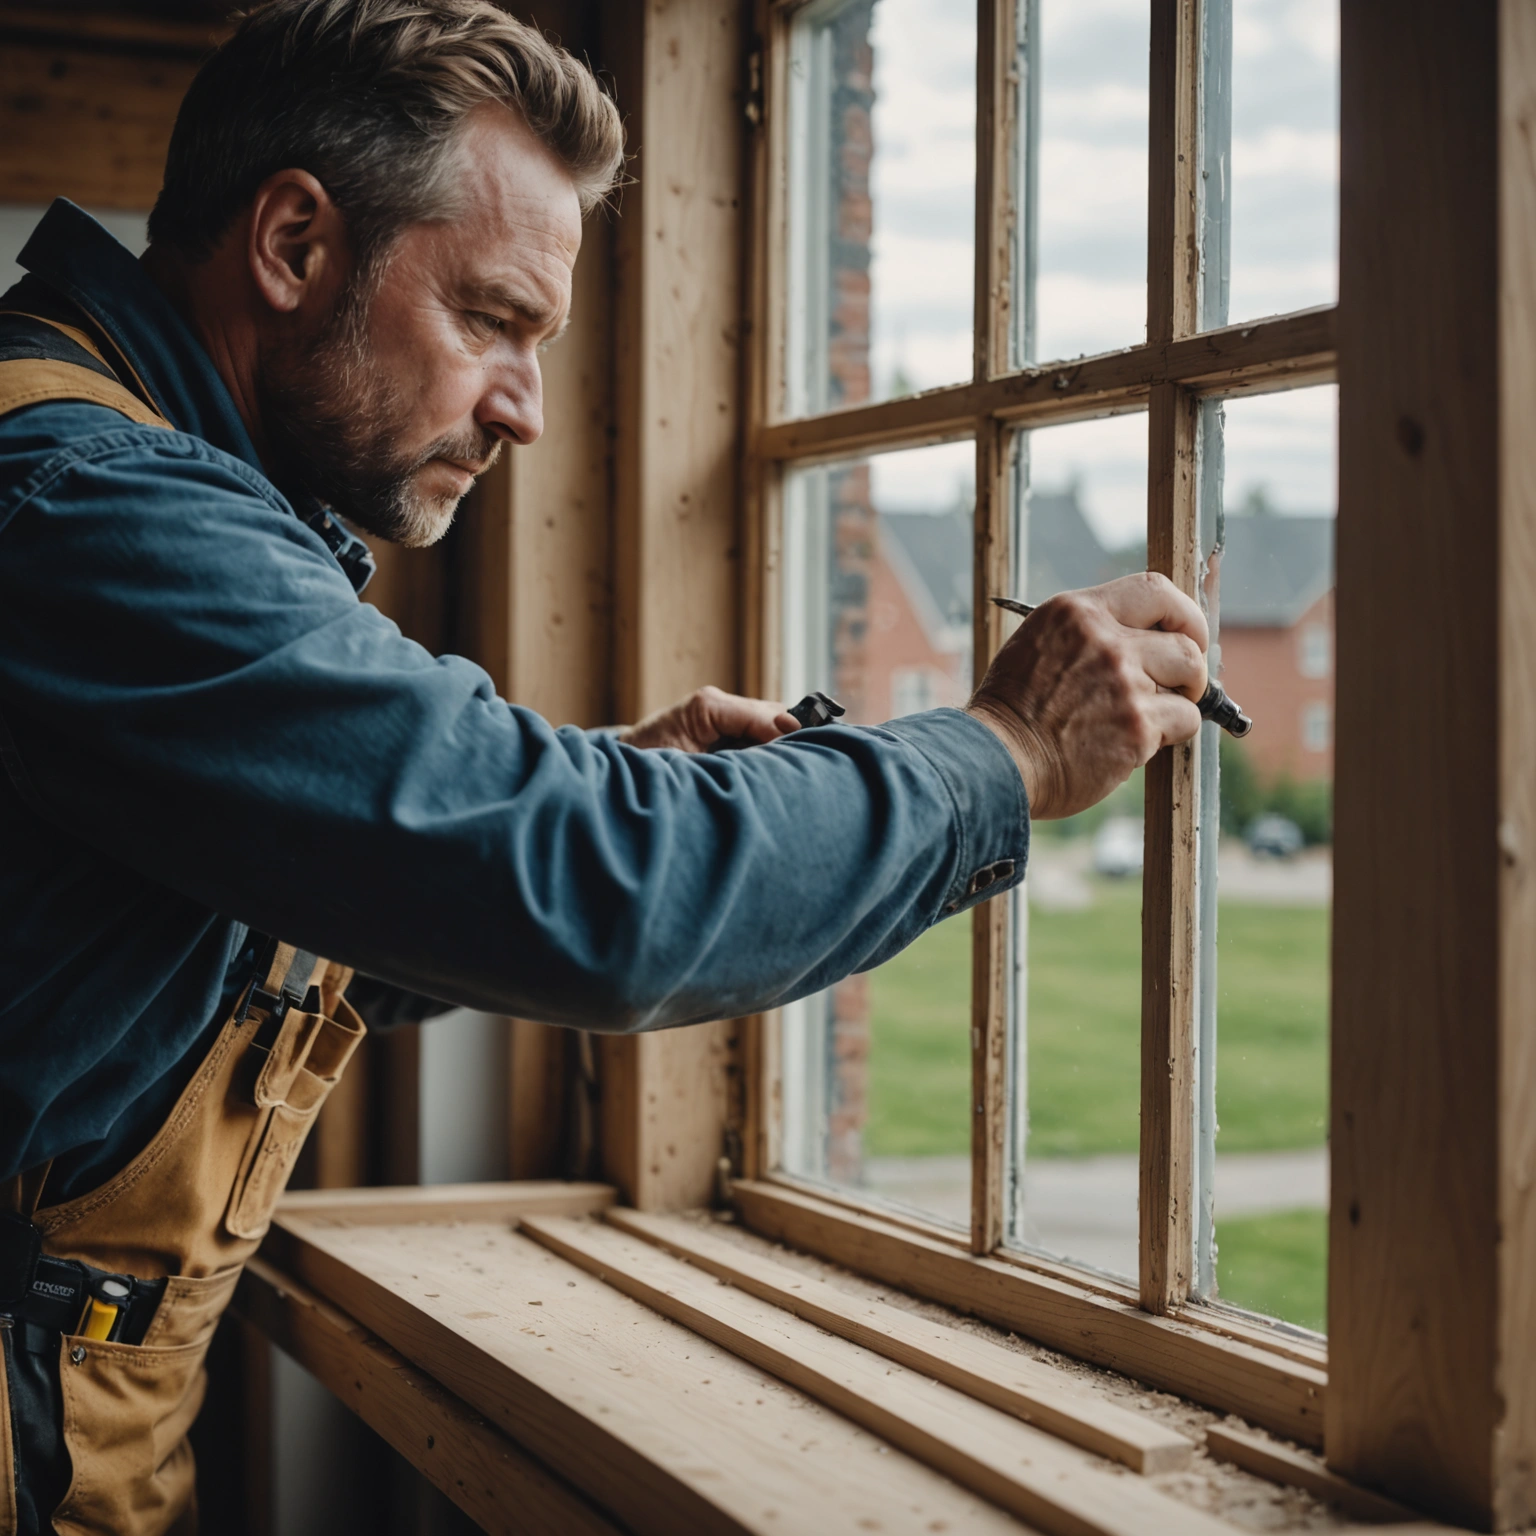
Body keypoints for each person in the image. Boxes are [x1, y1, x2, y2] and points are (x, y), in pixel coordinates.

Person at [0, 0, 1209, 1528]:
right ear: (296, 244)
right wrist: (1007, 750)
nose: (525, 410)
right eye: (491, 320)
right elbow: (603, 894)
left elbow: (181, 923)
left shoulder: (115, 470)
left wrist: (579, 780)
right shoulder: (92, 509)